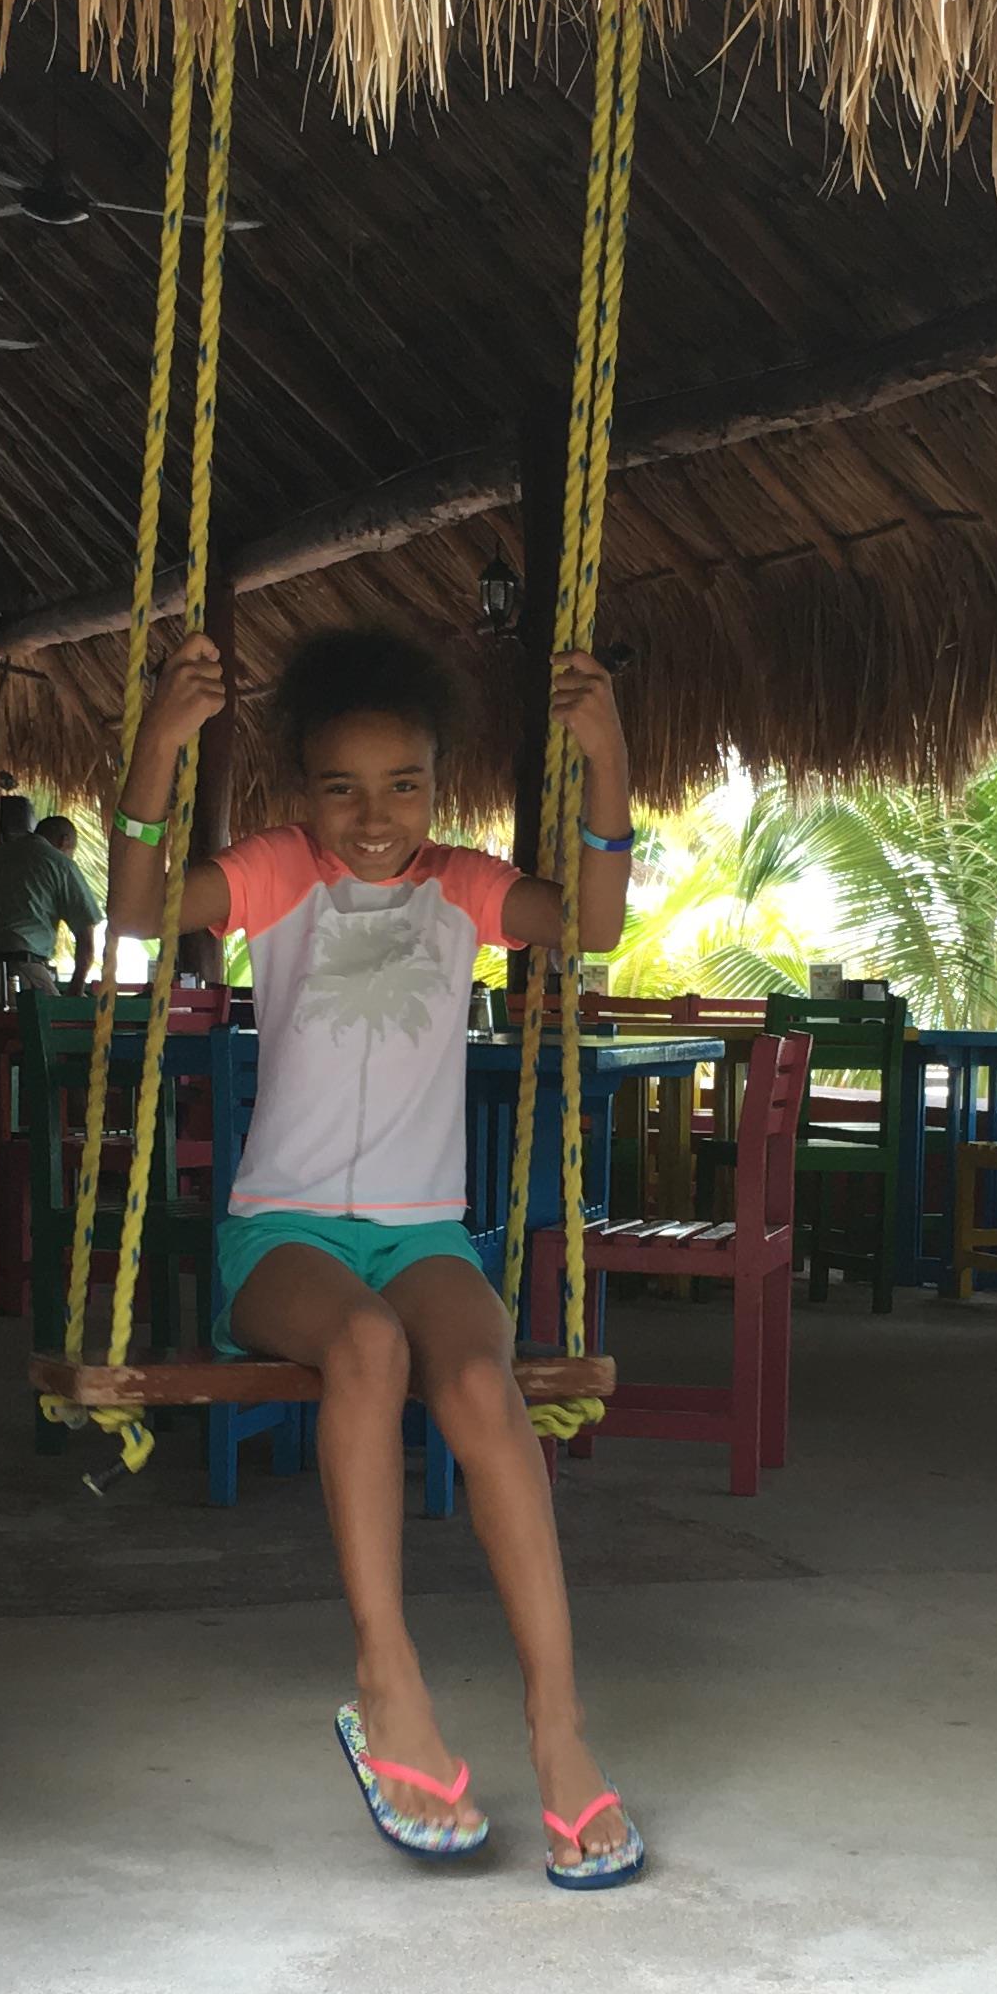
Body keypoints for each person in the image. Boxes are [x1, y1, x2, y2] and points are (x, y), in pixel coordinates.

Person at [112, 624, 647, 1885]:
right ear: (302, 795)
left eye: (403, 784)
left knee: (476, 1382)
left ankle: (559, 1730)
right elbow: (141, 914)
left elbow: (598, 928)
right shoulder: (277, 874)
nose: (373, 816)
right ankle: (387, 1680)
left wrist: (607, 761)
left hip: (421, 1231)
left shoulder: (464, 887)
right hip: (284, 1230)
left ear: (436, 787)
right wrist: (159, 746)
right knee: (363, 1344)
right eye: (342, 787)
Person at [0, 794, 104, 996]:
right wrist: (76, 988)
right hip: (23, 969)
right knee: (52, 1025)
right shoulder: (59, 864)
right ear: (64, 841)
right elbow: (85, 934)